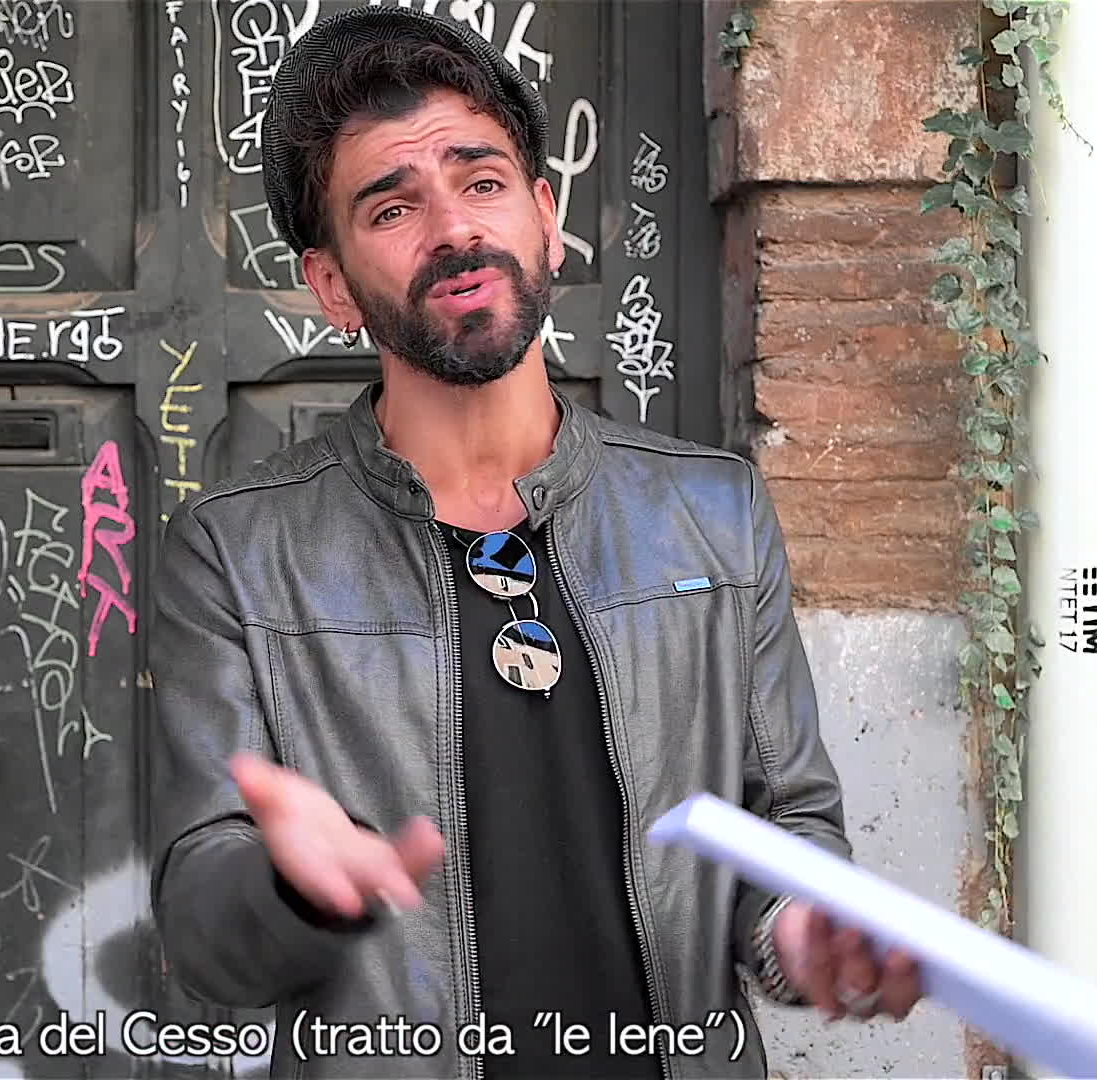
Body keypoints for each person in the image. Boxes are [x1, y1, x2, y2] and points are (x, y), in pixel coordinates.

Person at [147, 7, 923, 1079]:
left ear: (546, 218)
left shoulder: (712, 511)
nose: (454, 230)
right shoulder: (236, 553)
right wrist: (290, 888)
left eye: (482, 182)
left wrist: (801, 925)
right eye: (392, 207)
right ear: (331, 286)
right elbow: (201, 925)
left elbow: (784, 819)